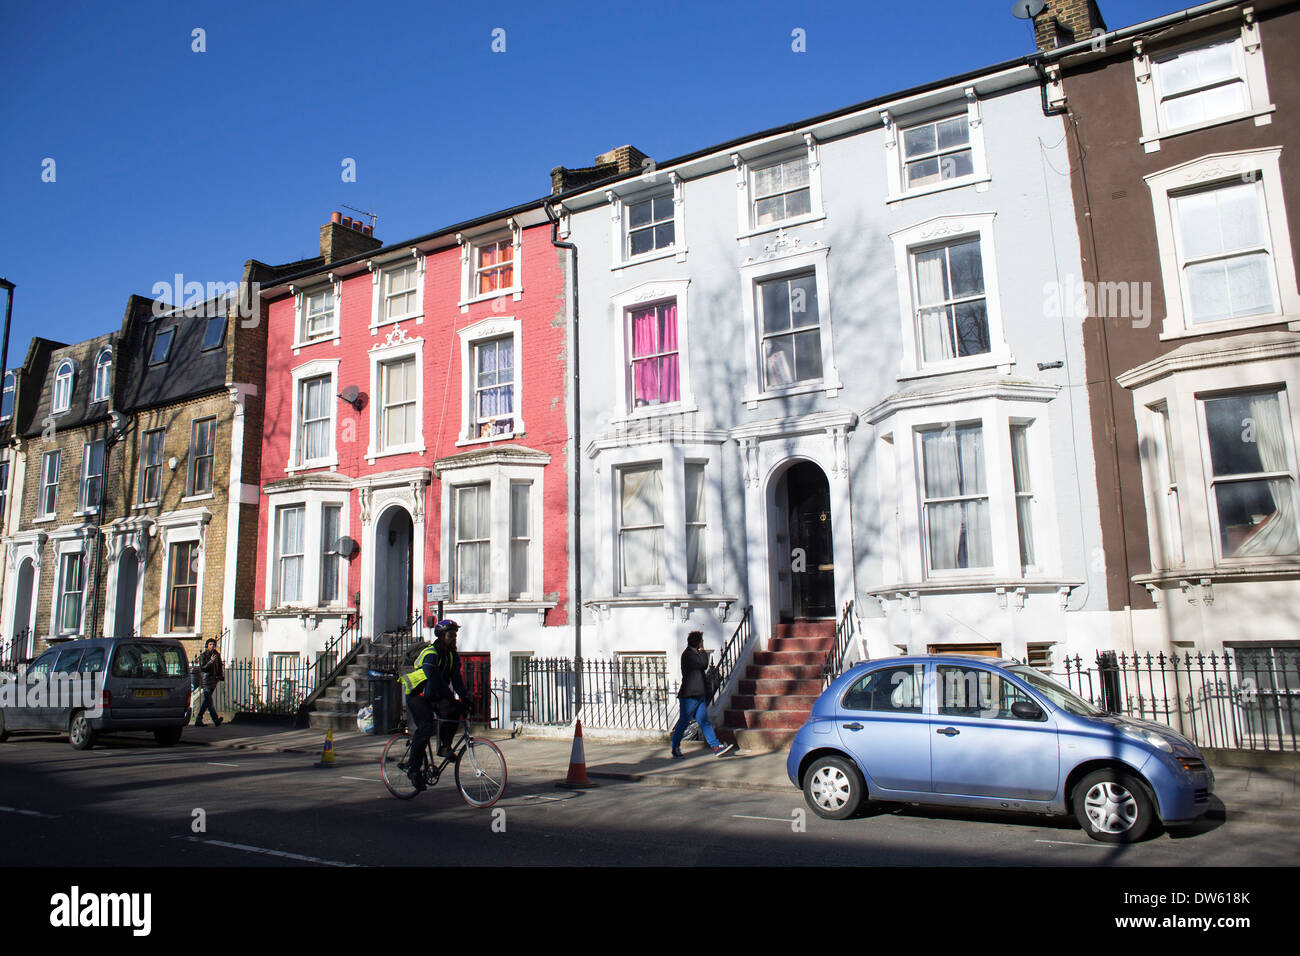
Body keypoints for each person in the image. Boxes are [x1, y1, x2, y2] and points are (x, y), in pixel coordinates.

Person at [398, 619, 473, 791]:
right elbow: (435, 680)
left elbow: (456, 679)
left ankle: (445, 747)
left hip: (434, 695)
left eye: (455, 635)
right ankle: (413, 769)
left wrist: (465, 698)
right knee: (425, 728)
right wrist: (453, 699)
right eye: (450, 635)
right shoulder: (430, 653)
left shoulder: (452, 655)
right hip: (418, 695)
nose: (454, 638)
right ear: (441, 636)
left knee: (453, 712)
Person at [671, 631, 732, 758]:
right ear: (698, 642)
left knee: (704, 722)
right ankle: (675, 747)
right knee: (683, 721)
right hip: (689, 695)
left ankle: (716, 746)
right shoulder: (688, 655)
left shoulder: (694, 654)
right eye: (701, 641)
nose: (702, 643)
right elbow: (703, 664)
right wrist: (703, 650)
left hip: (699, 694)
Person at [194, 638, 224, 727]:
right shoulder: (203, 656)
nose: (212, 646)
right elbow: (203, 668)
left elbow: (219, 666)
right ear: (207, 645)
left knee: (207, 701)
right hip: (205, 680)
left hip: (213, 680)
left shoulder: (216, 655)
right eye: (210, 644)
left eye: (214, 645)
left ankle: (198, 719)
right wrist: (210, 661)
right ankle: (216, 720)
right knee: (209, 702)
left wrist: (220, 676)